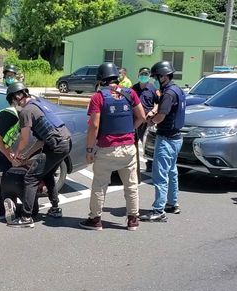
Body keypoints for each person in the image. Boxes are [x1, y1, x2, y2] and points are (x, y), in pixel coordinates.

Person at [78, 62, 146, 231]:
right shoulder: (130, 93)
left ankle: (95, 220)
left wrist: (89, 150)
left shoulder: (98, 97)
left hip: (107, 147)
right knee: (131, 185)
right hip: (129, 147)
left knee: (100, 184)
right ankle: (132, 220)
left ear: (101, 79)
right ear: (116, 77)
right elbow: (142, 117)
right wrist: (130, 129)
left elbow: (94, 126)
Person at [6, 82, 72, 227]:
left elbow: (24, 139)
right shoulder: (38, 104)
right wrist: (27, 155)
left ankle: (26, 217)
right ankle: (55, 208)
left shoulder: (26, 111)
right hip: (64, 142)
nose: (14, 106)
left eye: (12, 102)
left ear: (18, 97)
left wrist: (16, 154)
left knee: (31, 177)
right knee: (47, 174)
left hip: (56, 145)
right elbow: (41, 140)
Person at [140, 61, 186, 222]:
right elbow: (161, 108)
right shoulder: (177, 90)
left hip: (166, 138)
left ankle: (159, 210)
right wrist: (154, 111)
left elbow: (161, 116)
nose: (156, 80)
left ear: (164, 76)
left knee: (160, 175)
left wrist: (151, 121)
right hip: (177, 138)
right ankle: (172, 203)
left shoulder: (168, 94)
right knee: (172, 171)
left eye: (157, 77)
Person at [0, 154, 45, 223]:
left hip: (6, 178)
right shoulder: (40, 162)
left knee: (3, 206)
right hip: (21, 179)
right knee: (33, 211)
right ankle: (14, 208)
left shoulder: (16, 154)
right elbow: (37, 185)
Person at [131, 67, 159, 173]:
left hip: (147, 121)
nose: (144, 76)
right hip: (135, 120)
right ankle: (133, 165)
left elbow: (158, 103)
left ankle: (150, 164)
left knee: (146, 143)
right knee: (132, 143)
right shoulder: (133, 88)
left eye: (146, 74)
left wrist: (153, 111)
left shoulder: (152, 89)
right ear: (138, 75)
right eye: (142, 74)